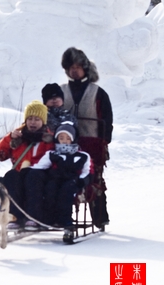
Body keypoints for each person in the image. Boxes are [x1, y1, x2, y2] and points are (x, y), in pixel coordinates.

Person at [60, 47, 113, 229]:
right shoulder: (61, 91)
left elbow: (107, 119)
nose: (74, 71)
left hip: (92, 142)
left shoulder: (97, 93)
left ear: (84, 67)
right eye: (70, 67)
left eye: (77, 66)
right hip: (65, 144)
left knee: (94, 180)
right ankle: (61, 215)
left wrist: (104, 142)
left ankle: (100, 217)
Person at [0, 100, 54, 229]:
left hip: (40, 174)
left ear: (43, 121)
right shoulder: (17, 137)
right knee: (11, 176)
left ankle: (33, 217)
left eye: (37, 119)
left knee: (33, 177)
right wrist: (9, 139)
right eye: (30, 119)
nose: (33, 122)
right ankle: (14, 217)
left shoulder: (49, 139)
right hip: (20, 173)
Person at [28, 122, 92, 239]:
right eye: (61, 138)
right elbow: (40, 166)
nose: (64, 141)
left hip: (72, 180)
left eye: (68, 138)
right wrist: (28, 171)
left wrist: (82, 181)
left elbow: (87, 171)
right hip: (55, 178)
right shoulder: (52, 154)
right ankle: (50, 219)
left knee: (66, 193)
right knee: (50, 190)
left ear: (72, 139)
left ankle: (66, 221)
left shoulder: (83, 156)